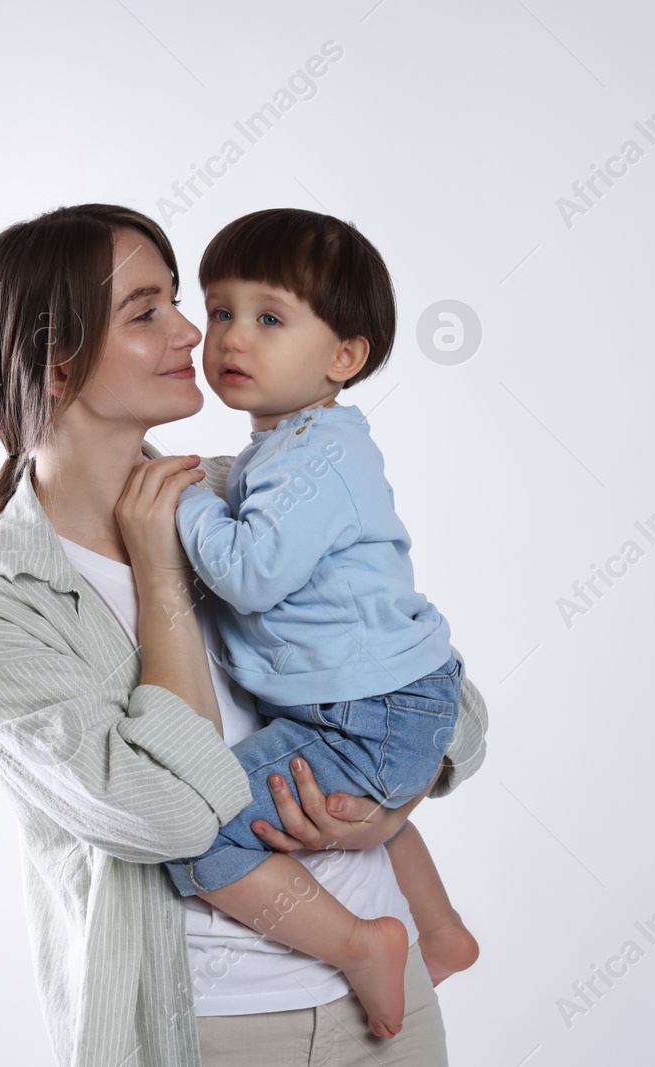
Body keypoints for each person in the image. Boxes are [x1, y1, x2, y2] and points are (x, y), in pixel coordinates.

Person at [0, 203, 489, 1067]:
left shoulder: (238, 498)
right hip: (210, 1027)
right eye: (146, 311)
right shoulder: (1, 602)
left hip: (391, 1007)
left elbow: (451, 701)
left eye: (180, 302)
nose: (193, 330)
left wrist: (384, 806)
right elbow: (174, 814)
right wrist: (160, 580)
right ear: (53, 362)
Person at [161, 208, 479, 1039]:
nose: (231, 338)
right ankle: (439, 927)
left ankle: (363, 943)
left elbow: (247, 572)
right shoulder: (300, 442)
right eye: (220, 310)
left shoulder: (313, 457)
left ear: (344, 356)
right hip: (385, 700)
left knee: (200, 829)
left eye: (269, 318)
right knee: (357, 798)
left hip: (364, 710)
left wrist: (186, 496)